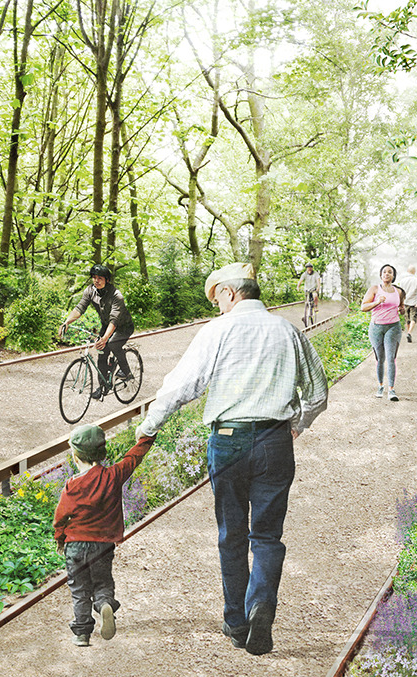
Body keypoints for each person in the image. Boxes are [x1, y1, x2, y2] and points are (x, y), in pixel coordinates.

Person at [136, 262, 329, 656]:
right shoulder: (289, 330)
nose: (217, 307)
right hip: (275, 440)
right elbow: (318, 393)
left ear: (229, 293)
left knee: (232, 534)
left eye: (216, 299)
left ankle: (237, 622)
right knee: (267, 535)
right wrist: (297, 425)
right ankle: (261, 604)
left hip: (227, 441)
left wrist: (149, 426)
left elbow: (183, 385)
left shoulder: (217, 331)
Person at [53, 424, 155, 647]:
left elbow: (60, 517)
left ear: (75, 456)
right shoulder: (114, 475)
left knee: (79, 589)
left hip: (76, 546)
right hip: (102, 546)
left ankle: (81, 634)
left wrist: (60, 538)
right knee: (102, 582)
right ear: (103, 453)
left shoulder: (72, 485)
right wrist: (147, 437)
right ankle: (105, 604)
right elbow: (133, 457)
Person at [58, 264, 135, 400]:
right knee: (101, 354)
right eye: (94, 277)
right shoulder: (90, 291)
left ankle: (127, 372)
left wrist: (105, 338)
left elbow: (114, 320)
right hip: (107, 325)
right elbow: (80, 308)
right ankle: (103, 386)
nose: (96, 280)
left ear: (107, 280)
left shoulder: (117, 296)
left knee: (112, 344)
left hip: (123, 326)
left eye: (100, 278)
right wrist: (67, 322)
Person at [361, 264, 404, 401]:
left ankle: (391, 390)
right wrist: (377, 302)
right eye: (384, 272)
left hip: (393, 327)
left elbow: (401, 306)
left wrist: (402, 310)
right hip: (376, 328)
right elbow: (363, 307)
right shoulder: (374, 289)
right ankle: (380, 386)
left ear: (393, 276)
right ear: (381, 275)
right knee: (380, 359)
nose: (387, 274)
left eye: (390, 272)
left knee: (391, 358)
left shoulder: (399, 291)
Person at [398, 264, 417, 342]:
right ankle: (409, 333)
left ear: (407, 271)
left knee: (407, 319)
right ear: (414, 271)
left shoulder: (402, 280)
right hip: (413, 302)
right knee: (413, 318)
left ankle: (409, 333)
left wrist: (400, 303)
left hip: (405, 302)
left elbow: (400, 292)